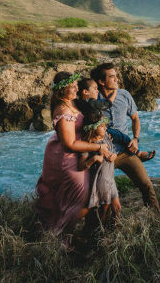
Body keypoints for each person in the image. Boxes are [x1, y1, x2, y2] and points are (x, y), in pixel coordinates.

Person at [34, 71, 112, 235]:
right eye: (73, 86)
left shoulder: (72, 103)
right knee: (80, 198)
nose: (77, 88)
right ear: (62, 90)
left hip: (74, 153)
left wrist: (102, 132)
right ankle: (59, 234)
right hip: (66, 157)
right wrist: (98, 147)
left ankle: (60, 233)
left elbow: (95, 110)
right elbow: (69, 144)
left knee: (73, 198)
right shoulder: (63, 111)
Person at [90, 63, 160, 210]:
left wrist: (135, 139)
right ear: (101, 81)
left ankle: (156, 218)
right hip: (104, 154)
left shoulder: (125, 94)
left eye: (116, 76)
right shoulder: (94, 98)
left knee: (146, 184)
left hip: (126, 151)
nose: (116, 79)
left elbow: (135, 119)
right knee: (101, 195)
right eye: (112, 77)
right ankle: (101, 228)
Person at [76, 101, 121, 228]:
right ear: (94, 127)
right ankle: (98, 232)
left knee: (117, 208)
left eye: (105, 125)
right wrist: (95, 158)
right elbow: (80, 166)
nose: (105, 127)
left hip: (110, 178)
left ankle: (113, 230)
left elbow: (114, 150)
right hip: (100, 180)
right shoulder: (87, 143)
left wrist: (115, 155)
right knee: (103, 209)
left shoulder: (106, 136)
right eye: (102, 126)